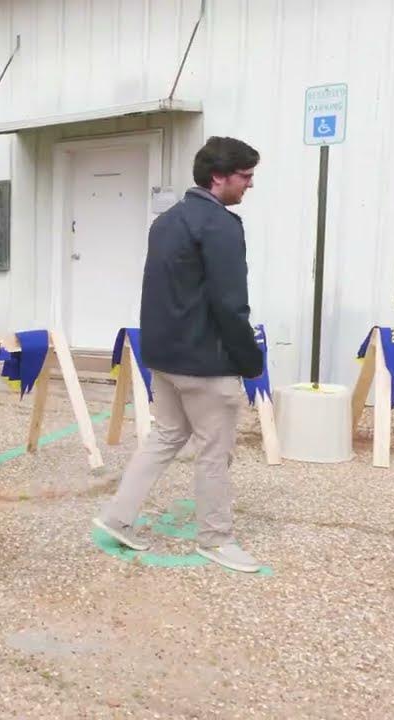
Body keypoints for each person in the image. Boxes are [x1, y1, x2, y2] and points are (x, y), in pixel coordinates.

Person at [92, 136, 266, 572]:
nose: (249, 185)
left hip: (164, 358)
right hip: (207, 364)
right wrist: (250, 361)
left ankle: (118, 516)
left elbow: (160, 292)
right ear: (218, 176)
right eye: (245, 177)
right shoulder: (221, 225)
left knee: (166, 436)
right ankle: (216, 538)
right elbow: (230, 303)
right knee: (215, 451)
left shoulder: (166, 222)